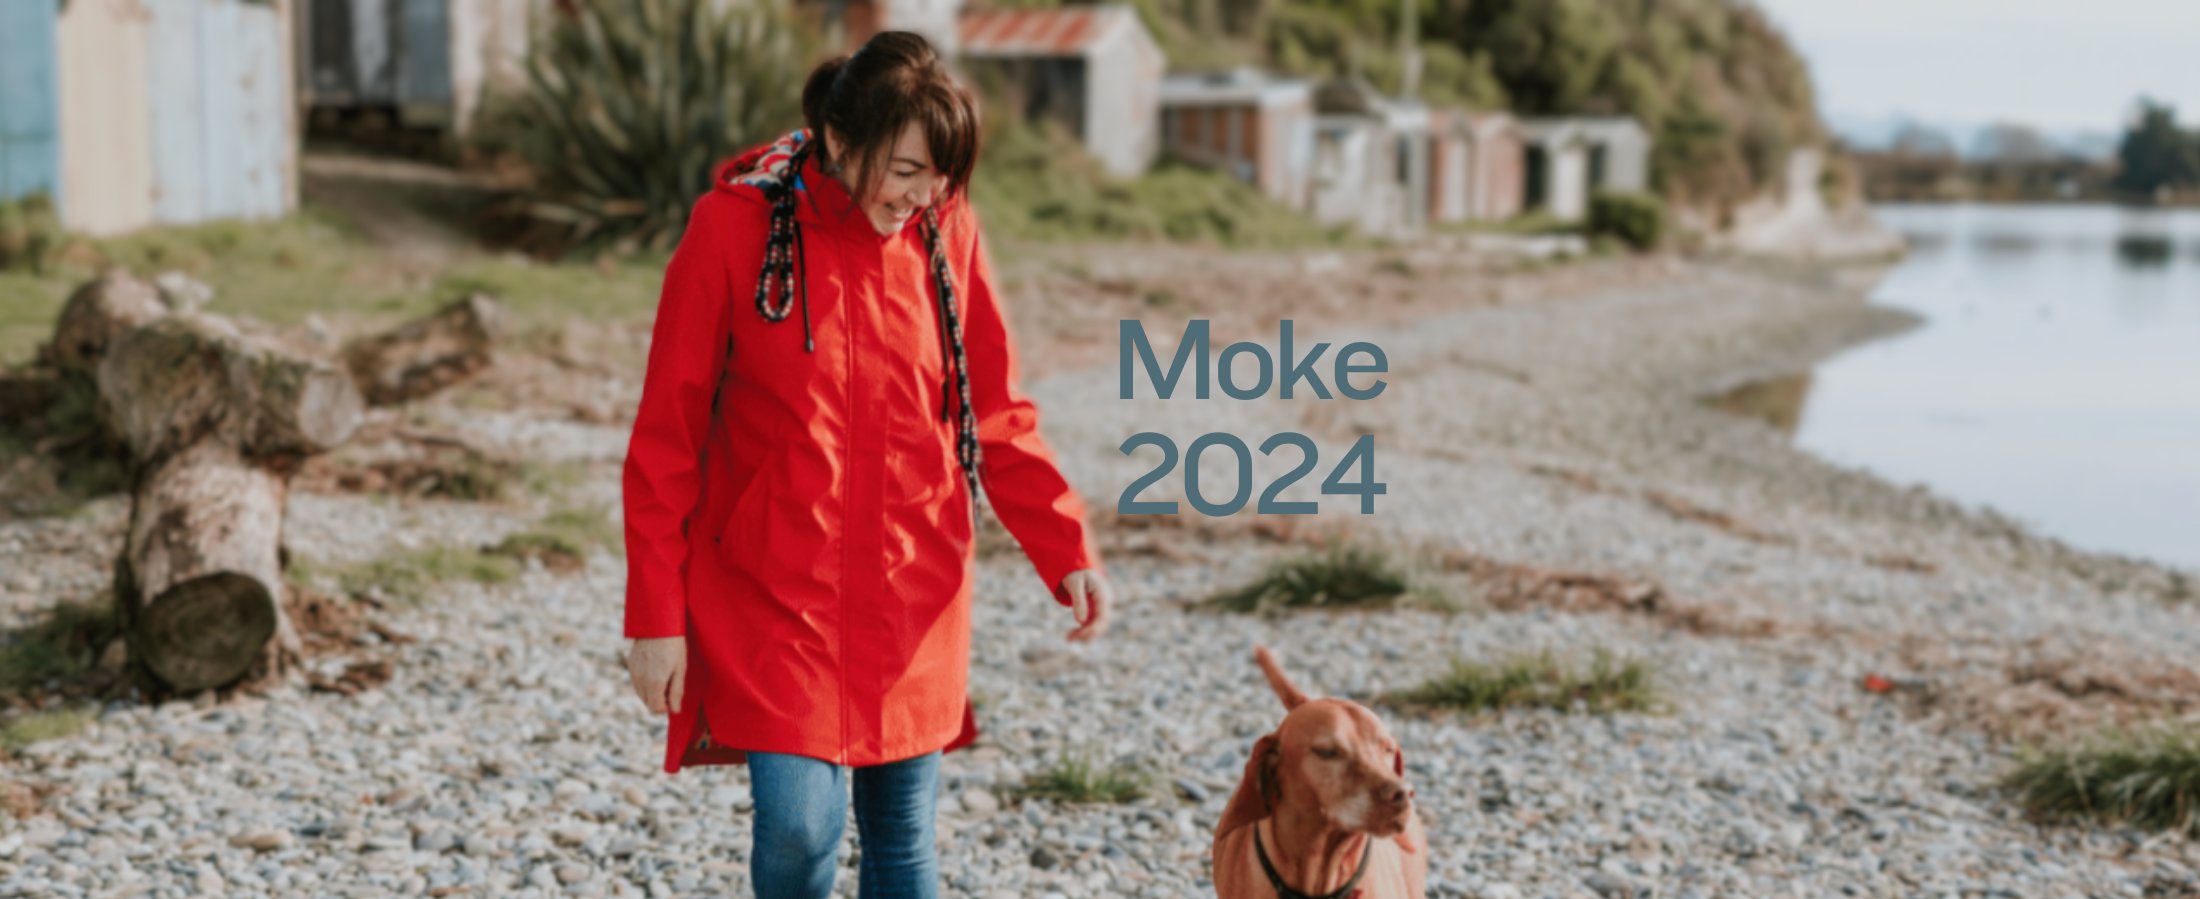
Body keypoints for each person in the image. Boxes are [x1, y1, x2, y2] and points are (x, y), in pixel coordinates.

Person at [619, 31, 1114, 899]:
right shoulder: (730, 230)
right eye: (906, 170)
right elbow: (667, 437)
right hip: (772, 593)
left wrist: (1065, 547)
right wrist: (654, 614)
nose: (922, 196)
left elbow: (994, 410)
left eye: (941, 176)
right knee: (800, 828)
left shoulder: (944, 230)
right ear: (839, 143)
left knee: (904, 844)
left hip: (912, 585)